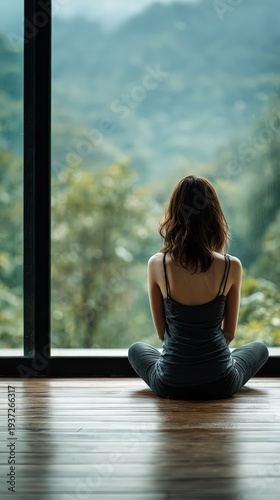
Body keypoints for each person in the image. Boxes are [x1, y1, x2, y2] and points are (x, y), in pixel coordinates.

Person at [128, 174, 269, 399]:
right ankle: (219, 365)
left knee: (136, 349)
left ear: (175, 215)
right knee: (260, 348)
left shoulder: (158, 264)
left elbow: (163, 334)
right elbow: (229, 334)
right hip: (221, 383)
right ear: (214, 217)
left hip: (171, 383)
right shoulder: (231, 266)